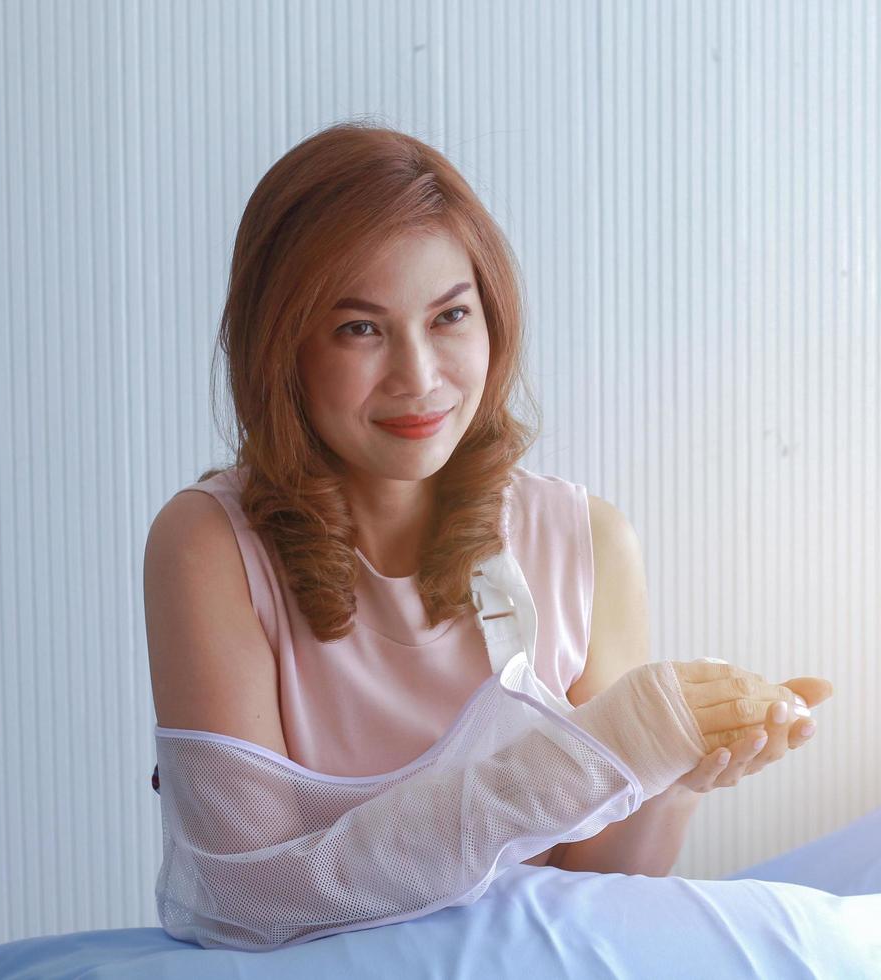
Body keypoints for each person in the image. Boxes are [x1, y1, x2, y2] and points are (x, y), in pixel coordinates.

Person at [143, 120, 833, 880]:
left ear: (492, 317)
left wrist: (675, 776)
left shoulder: (587, 542)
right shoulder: (211, 547)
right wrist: (607, 751)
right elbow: (246, 896)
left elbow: (594, 891)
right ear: (281, 347)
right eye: (359, 328)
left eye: (448, 317)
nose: (418, 376)